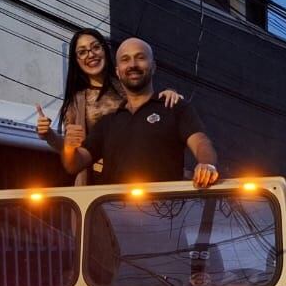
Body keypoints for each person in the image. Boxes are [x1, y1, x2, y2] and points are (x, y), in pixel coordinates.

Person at [60, 37, 219, 188]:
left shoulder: (174, 107)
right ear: (118, 71)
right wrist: (69, 148)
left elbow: (200, 142)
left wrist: (206, 164)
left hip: (167, 212)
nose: (133, 64)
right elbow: (74, 165)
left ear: (153, 66)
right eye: (125, 59)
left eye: (140, 57)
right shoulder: (107, 123)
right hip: (116, 214)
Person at [35, 28, 182, 185]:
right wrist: (49, 135)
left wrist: (169, 94)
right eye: (82, 52)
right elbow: (72, 148)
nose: (91, 55)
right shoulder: (77, 102)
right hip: (100, 184)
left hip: (145, 172)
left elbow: (151, 106)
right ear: (76, 60)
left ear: (105, 50)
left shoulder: (128, 83)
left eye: (96, 47)